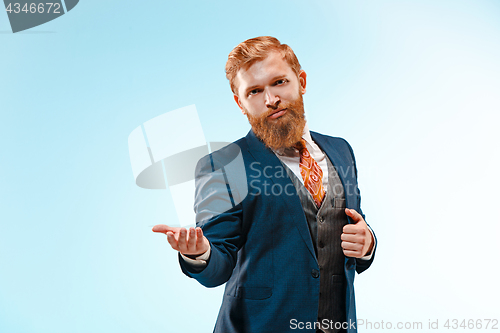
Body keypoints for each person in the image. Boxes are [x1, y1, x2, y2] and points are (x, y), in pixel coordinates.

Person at [153, 36, 376, 333]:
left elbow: (354, 232)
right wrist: (199, 253)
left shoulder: (340, 150)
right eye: (255, 91)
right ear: (240, 102)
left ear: (302, 81)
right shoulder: (223, 165)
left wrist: (367, 244)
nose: (270, 99)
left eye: (280, 82)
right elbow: (218, 264)